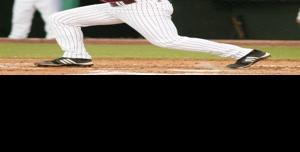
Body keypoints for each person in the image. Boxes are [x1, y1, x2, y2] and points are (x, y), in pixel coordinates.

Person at [35, 0, 270, 69]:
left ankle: (247, 53)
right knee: (61, 18)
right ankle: (77, 55)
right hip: (118, 7)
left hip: (143, 6)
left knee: (167, 41)